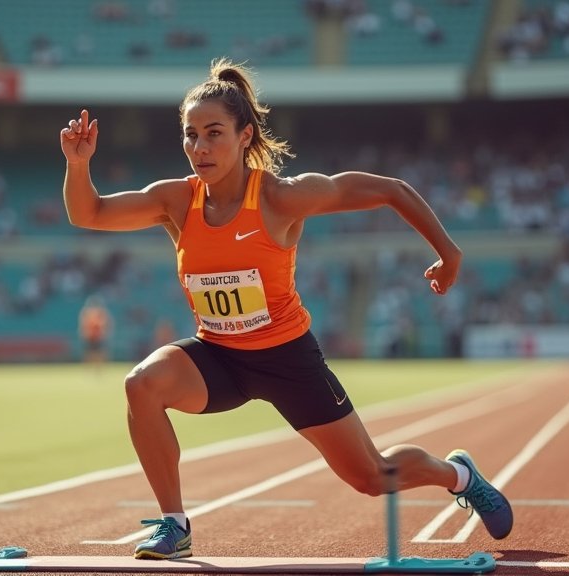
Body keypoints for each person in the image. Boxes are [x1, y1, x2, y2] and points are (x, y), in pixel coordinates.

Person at [60, 58, 513, 561]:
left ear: (245, 135)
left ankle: (459, 475)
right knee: (141, 385)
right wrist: (78, 164)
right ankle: (175, 524)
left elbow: (390, 191)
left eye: (213, 133)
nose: (200, 147)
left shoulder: (280, 197)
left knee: (372, 476)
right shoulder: (176, 201)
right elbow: (89, 212)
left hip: (287, 359)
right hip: (219, 357)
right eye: (191, 135)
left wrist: (448, 253)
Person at [79, 294, 113, 367]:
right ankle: (89, 367)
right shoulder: (87, 313)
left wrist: (105, 332)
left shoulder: (101, 313)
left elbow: (106, 324)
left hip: (98, 336)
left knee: (99, 353)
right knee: (89, 353)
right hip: (91, 337)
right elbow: (84, 326)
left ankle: (98, 367)